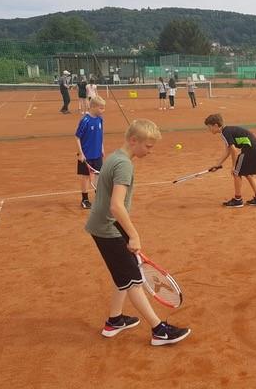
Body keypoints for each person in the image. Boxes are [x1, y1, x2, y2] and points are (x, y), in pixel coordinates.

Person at [85, 119, 190, 346]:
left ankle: (115, 320)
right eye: (148, 146)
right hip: (108, 228)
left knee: (122, 273)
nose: (150, 152)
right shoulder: (124, 165)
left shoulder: (114, 157)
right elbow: (116, 205)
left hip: (107, 225)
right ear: (134, 141)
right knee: (132, 279)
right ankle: (158, 330)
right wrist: (134, 235)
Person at [204, 113, 256, 208]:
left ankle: (238, 200)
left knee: (236, 173)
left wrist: (234, 166)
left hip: (249, 149)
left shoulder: (225, 132)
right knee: (247, 173)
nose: (209, 130)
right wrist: (217, 165)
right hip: (255, 148)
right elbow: (228, 151)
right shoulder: (226, 131)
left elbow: (234, 150)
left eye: (209, 127)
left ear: (216, 125)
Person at [76, 96, 106, 209]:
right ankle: (84, 199)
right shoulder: (85, 120)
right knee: (85, 177)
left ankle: (99, 198)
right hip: (86, 155)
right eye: (101, 108)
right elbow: (77, 137)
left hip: (97, 154)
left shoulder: (100, 119)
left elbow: (100, 135)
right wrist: (81, 153)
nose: (103, 110)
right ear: (93, 107)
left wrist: (101, 147)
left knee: (99, 176)